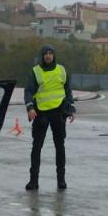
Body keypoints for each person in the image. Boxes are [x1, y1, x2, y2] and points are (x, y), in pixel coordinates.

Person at [24, 44, 75, 191]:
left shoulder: (62, 70)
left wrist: (71, 108)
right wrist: (30, 107)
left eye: (50, 53)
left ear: (54, 55)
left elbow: (68, 91)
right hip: (41, 114)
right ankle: (33, 181)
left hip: (58, 113)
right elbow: (28, 91)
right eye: (45, 53)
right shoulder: (35, 71)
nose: (48, 56)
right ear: (42, 56)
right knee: (37, 147)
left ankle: (61, 180)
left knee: (60, 146)